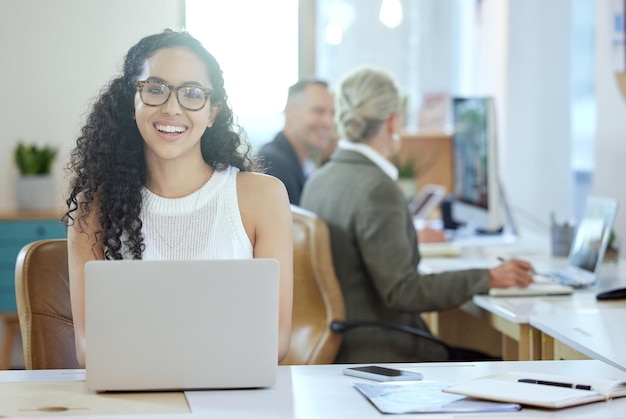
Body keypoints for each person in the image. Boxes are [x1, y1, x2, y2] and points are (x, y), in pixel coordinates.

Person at [64, 30, 293, 367]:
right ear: (132, 101)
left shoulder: (263, 197)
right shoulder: (93, 209)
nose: (173, 108)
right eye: (155, 90)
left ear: (212, 112)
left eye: (192, 93)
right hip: (134, 400)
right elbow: (89, 348)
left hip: (230, 397)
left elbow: (275, 339)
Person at [300, 67, 534, 363]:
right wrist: (488, 277)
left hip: (340, 343)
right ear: (393, 120)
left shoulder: (320, 178)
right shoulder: (377, 189)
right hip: (381, 350)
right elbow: (403, 291)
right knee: (508, 366)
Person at [257, 79, 335, 205]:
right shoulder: (271, 164)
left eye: (332, 114)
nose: (329, 122)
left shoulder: (307, 164)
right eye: (318, 111)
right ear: (290, 111)